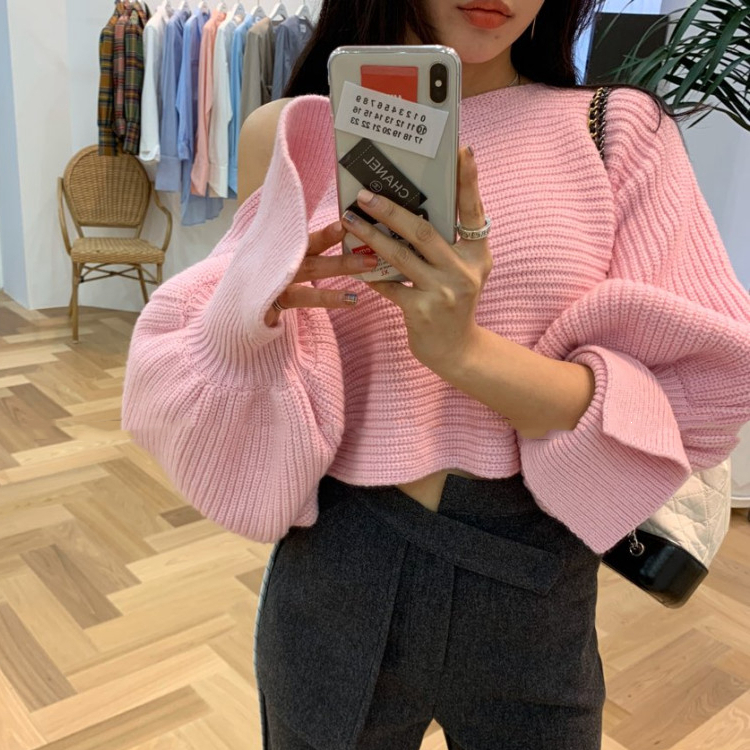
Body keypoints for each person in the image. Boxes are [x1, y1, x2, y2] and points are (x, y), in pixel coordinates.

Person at [122, 1, 750, 748]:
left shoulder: (614, 130)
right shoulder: (290, 134)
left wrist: (465, 352)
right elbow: (231, 391)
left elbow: (706, 392)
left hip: (531, 573)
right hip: (338, 561)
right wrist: (255, 316)